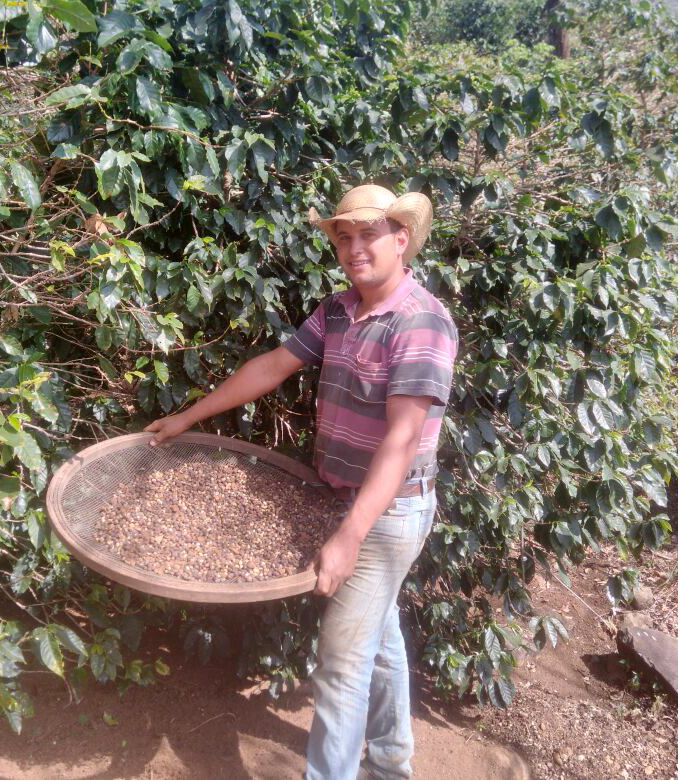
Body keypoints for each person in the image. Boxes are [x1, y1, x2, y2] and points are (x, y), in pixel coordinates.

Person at [144, 183, 459, 779]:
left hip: (386, 515)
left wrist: (349, 535)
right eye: (345, 238)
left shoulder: (422, 324)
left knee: (341, 666)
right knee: (380, 639)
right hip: (336, 499)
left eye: (369, 235)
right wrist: (190, 416)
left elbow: (402, 441)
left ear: (401, 241)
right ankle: (392, 765)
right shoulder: (338, 310)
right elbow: (273, 365)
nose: (354, 248)